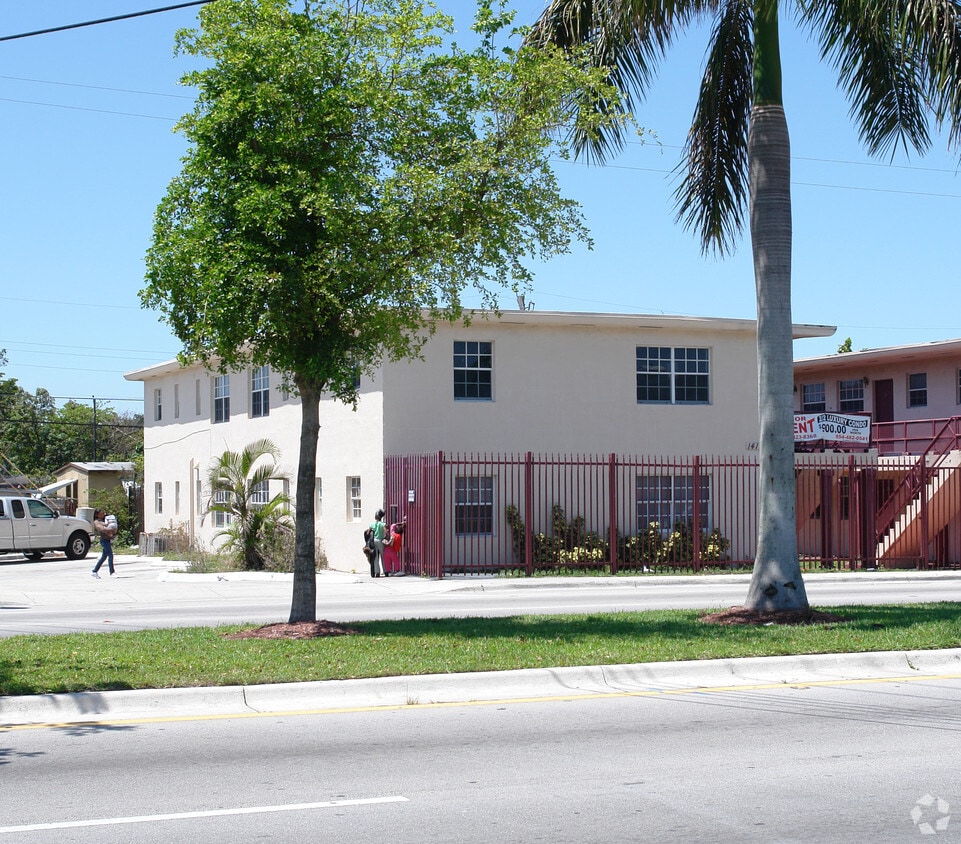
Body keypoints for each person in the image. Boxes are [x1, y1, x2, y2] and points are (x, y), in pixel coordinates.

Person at [91, 508, 116, 578]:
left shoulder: (104, 520)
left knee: (103, 557)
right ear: (97, 515)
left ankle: (94, 571)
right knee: (110, 555)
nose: (103, 515)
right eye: (101, 513)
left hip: (108, 540)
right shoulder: (97, 522)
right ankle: (112, 572)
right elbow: (102, 529)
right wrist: (112, 529)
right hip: (104, 540)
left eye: (103, 513)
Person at [369, 509, 387, 578]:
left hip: (374, 540)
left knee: (376, 557)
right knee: (383, 556)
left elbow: (368, 532)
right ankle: (385, 571)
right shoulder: (382, 524)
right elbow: (385, 532)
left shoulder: (372, 524)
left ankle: (377, 573)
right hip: (380, 540)